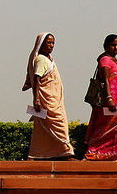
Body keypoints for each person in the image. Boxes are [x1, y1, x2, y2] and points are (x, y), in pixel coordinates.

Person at [22, 32, 74, 160]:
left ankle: (36, 154)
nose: (51, 45)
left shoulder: (48, 59)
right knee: (60, 123)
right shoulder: (41, 60)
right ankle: (67, 151)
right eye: (48, 42)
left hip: (54, 99)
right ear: (41, 44)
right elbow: (37, 79)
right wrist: (37, 99)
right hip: (47, 100)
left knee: (41, 130)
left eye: (53, 43)